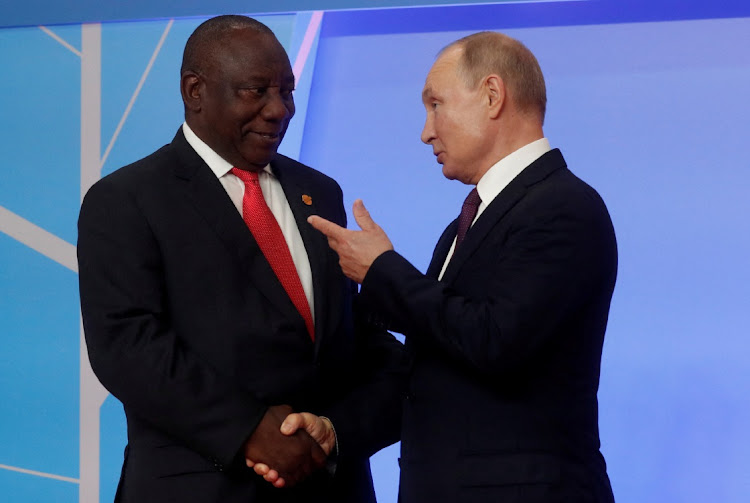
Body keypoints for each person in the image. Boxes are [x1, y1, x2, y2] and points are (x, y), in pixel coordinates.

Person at [77, 15, 407, 503]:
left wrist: (334, 431)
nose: (279, 110)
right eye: (256, 91)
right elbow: (128, 345)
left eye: (287, 92)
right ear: (196, 91)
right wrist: (249, 429)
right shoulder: (127, 199)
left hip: (330, 488)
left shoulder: (319, 192)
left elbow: (354, 338)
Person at [309, 31, 618, 502]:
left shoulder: (564, 207)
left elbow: (495, 340)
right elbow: (431, 371)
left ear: (492, 96)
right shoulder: (465, 225)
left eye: (436, 104)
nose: (426, 131)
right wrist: (337, 431)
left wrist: (382, 270)